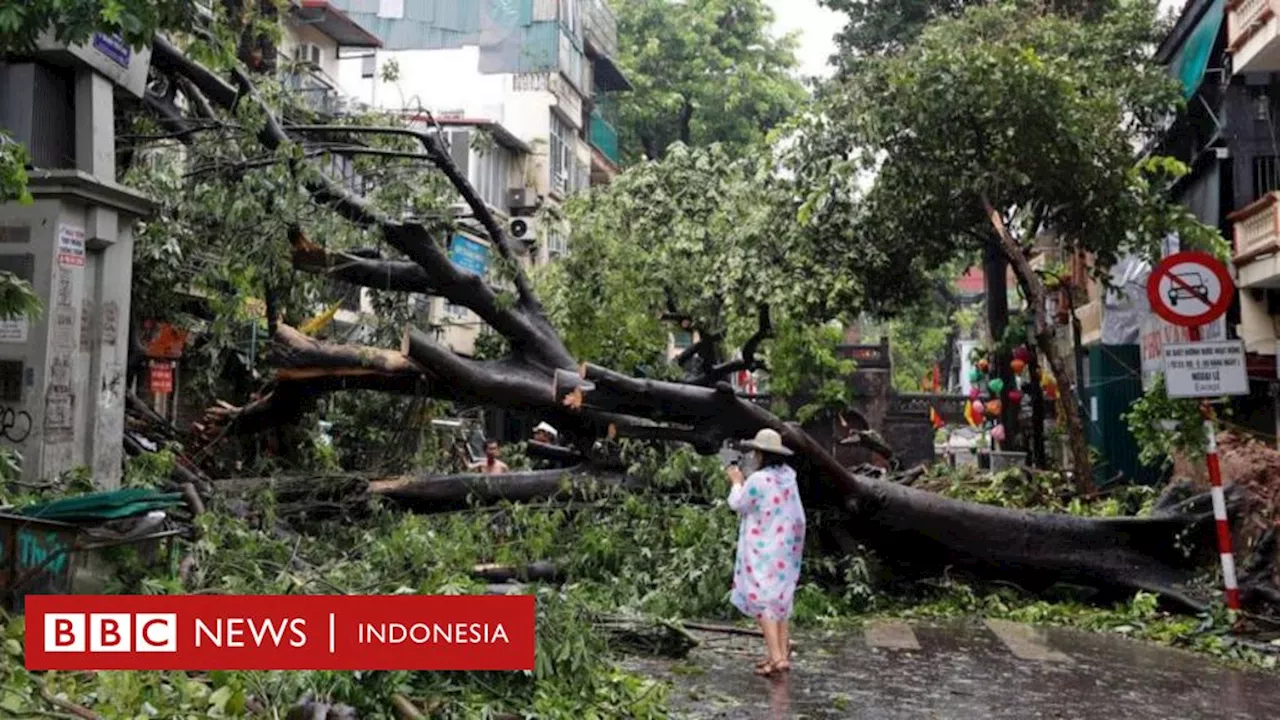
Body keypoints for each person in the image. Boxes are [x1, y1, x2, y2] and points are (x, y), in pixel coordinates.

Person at [726, 428, 805, 677]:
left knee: (763, 602)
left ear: (761, 454)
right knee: (780, 601)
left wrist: (737, 482)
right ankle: (780, 654)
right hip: (785, 548)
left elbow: (738, 504)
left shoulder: (759, 481)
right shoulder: (789, 477)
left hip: (762, 547)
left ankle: (776, 657)